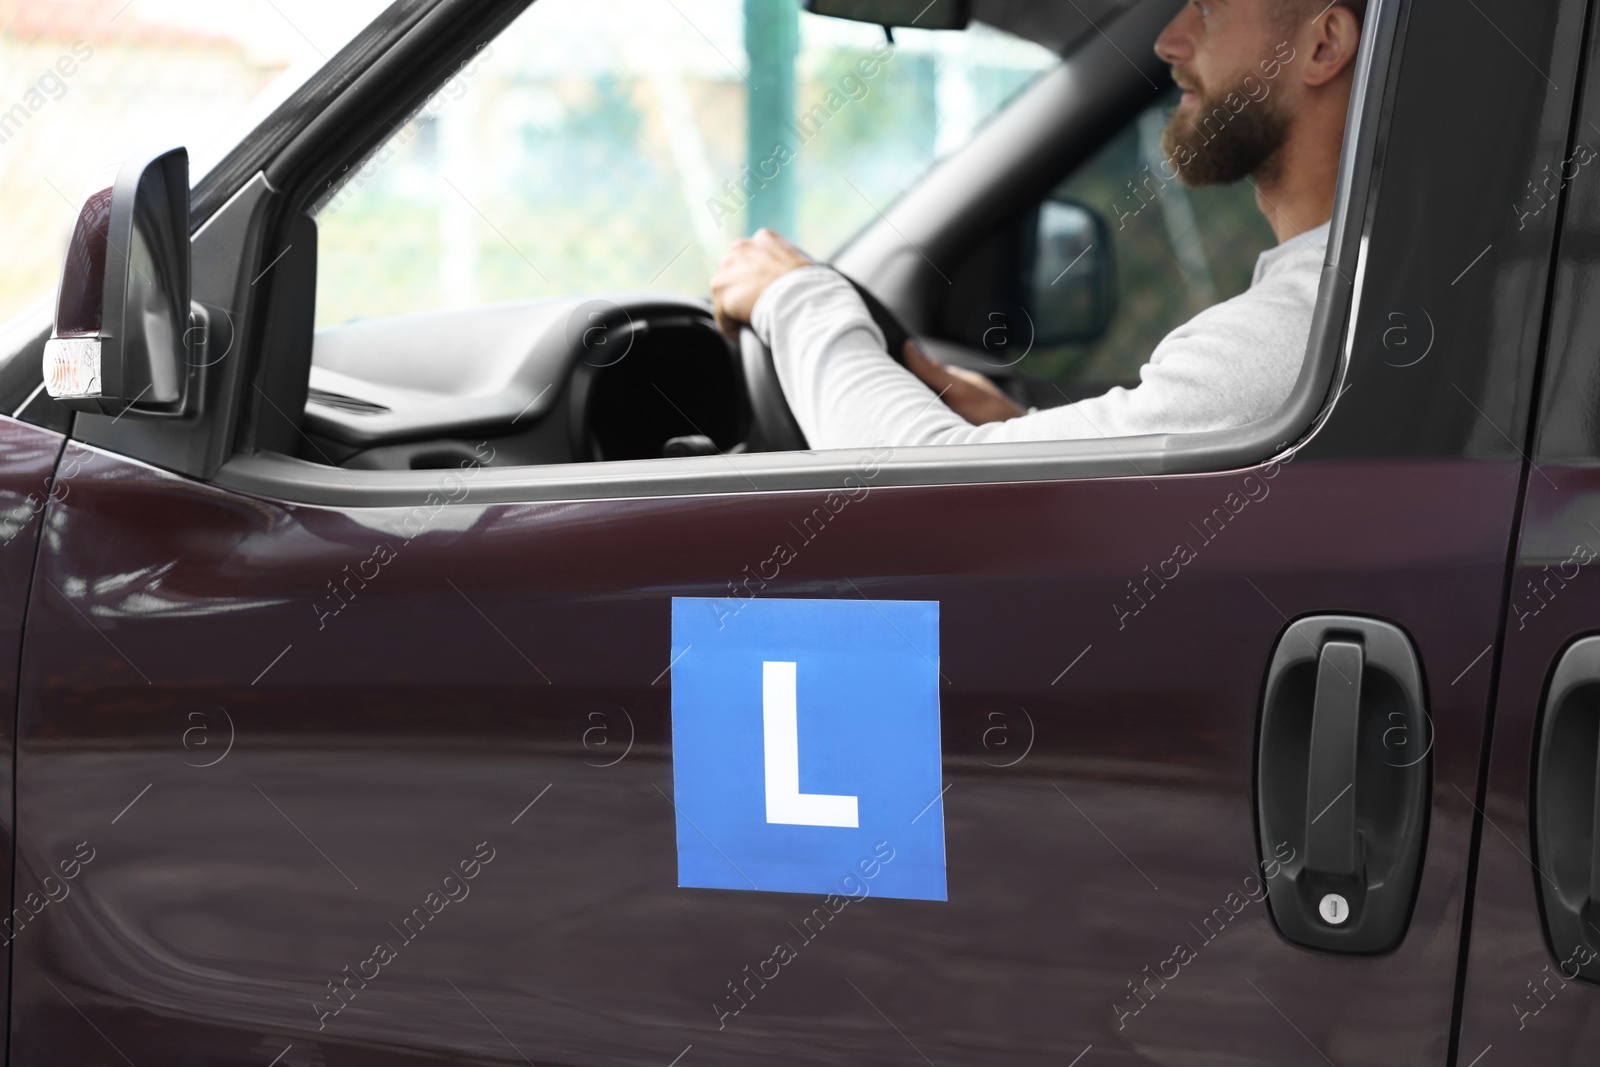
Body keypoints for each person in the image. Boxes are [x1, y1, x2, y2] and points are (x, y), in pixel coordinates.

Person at [710, 0, 1365, 448]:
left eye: (1208, 6)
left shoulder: (1297, 336)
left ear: (1324, 44)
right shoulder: (1338, 309)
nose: (1170, 40)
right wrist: (1022, 429)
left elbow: (926, 492)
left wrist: (794, 297)